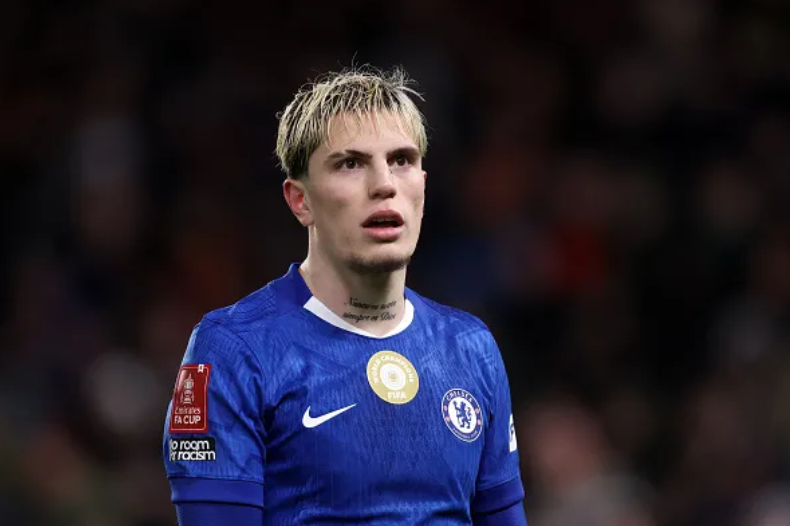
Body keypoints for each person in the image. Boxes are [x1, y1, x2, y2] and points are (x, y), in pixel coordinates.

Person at [162, 66, 528, 526]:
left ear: (423, 184)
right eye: (350, 164)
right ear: (300, 200)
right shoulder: (233, 350)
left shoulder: (471, 348)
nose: (384, 184)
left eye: (401, 160)